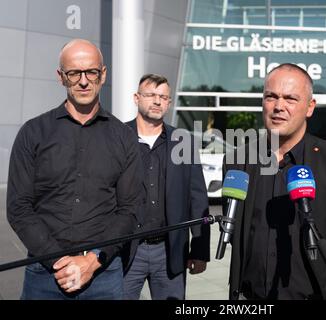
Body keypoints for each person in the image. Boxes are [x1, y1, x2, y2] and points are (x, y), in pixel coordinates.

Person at [224, 63, 326, 300]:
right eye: (271, 97)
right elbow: (236, 230)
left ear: (309, 107)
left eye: (290, 98)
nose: (278, 106)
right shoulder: (238, 160)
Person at [7, 39, 143, 300]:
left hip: (103, 273)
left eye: (91, 72)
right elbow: (18, 207)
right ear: (61, 77)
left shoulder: (124, 137)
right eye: (74, 73)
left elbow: (129, 209)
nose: (83, 81)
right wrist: (60, 261)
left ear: (103, 74)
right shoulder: (33, 133)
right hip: (45, 273)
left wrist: (92, 261)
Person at [122, 74, 210, 300]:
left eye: (163, 97)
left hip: (170, 251)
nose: (157, 101)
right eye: (151, 95)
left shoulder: (184, 141)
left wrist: (200, 251)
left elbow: (197, 198)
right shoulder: (117, 137)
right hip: (126, 250)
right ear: (136, 98)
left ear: (169, 103)